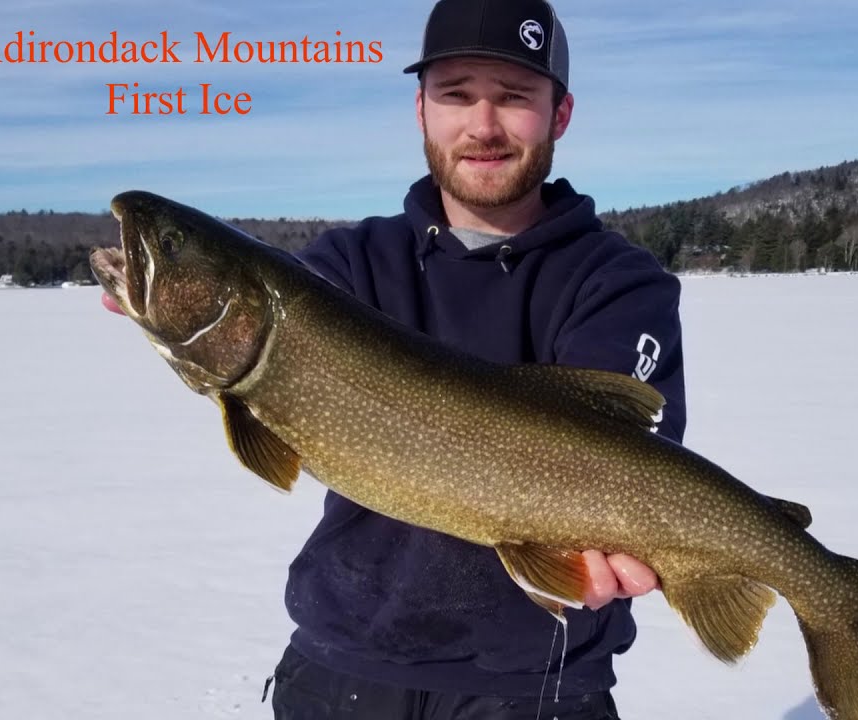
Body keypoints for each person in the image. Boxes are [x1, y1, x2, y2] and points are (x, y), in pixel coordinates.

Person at [108, 0, 686, 716]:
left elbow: (628, 445)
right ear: (421, 110)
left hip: (534, 685)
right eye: (456, 95)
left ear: (559, 114)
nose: (483, 125)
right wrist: (173, 310)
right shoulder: (346, 266)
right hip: (338, 668)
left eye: (514, 97)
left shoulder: (618, 283)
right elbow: (252, 375)